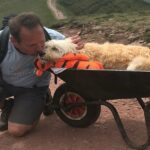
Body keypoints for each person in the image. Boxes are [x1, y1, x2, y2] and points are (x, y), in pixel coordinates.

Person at [0, 12, 84, 136]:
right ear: (14, 41)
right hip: (5, 83)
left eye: (42, 42)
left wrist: (78, 48)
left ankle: (42, 98)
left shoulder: (53, 37)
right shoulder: (2, 41)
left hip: (32, 88)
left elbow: (80, 57)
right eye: (32, 45)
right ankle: (8, 106)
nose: (40, 49)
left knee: (16, 131)